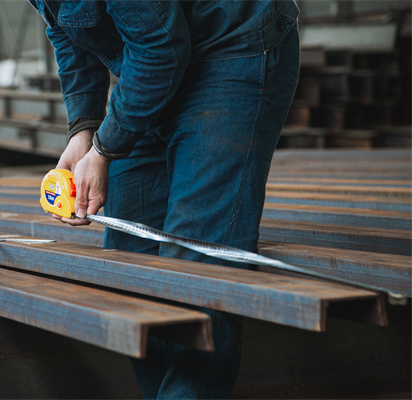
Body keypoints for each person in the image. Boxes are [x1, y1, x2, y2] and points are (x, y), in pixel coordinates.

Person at [29, 1, 300, 398]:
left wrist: (104, 150)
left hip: (227, 47)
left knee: (197, 273)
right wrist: (83, 129)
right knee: (131, 269)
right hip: (150, 58)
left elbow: (162, 48)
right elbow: (66, 29)